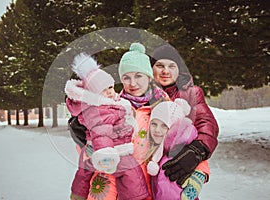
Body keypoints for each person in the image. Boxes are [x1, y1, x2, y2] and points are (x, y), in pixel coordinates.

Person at [87, 43, 170, 200]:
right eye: (126, 77)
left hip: (151, 185)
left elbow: (183, 142)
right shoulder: (110, 107)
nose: (132, 83)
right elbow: (96, 149)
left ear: (149, 77)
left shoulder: (165, 107)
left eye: (138, 76)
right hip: (115, 183)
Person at [65, 53, 149, 200]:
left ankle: (77, 194)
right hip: (110, 153)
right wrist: (104, 153)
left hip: (114, 151)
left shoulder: (117, 104)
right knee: (131, 173)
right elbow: (101, 131)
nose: (110, 91)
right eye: (127, 77)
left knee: (85, 172)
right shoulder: (101, 109)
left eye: (110, 87)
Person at [150, 44, 219, 189]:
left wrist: (198, 149)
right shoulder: (142, 92)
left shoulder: (191, 93)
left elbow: (207, 123)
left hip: (177, 163)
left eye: (171, 66)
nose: (165, 71)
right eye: (160, 65)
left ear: (178, 69)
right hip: (148, 164)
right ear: (151, 69)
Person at [146, 99, 208, 200]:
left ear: (174, 128)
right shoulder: (161, 149)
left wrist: (199, 175)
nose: (157, 130)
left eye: (164, 125)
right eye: (153, 124)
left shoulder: (177, 155)